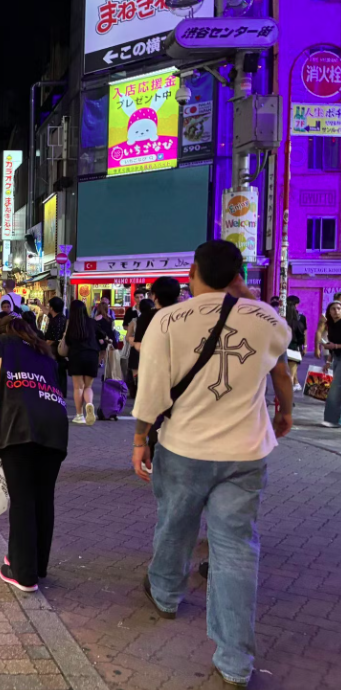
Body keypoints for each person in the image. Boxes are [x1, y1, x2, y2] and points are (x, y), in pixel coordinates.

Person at [132, 240, 293, 689]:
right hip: (245, 452)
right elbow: (279, 364)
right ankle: (235, 660)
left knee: (175, 525)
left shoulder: (167, 320)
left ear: (192, 273)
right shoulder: (267, 319)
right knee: (236, 549)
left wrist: (140, 438)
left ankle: (165, 594)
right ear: (238, 275)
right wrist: (285, 412)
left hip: (185, 446)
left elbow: (152, 392)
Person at [0, 312, 69, 592]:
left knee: (23, 498)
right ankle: (36, 564)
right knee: (42, 497)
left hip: (20, 424)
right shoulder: (43, 350)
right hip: (54, 425)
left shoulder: (0, 342)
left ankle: (23, 574)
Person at [64, 300, 106, 426]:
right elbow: (102, 336)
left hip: (76, 355)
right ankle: (89, 404)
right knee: (88, 387)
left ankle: (79, 415)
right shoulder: (92, 322)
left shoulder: (71, 324)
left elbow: (68, 341)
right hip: (92, 355)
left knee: (78, 387)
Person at [320, 300, 341, 428]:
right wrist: (328, 361)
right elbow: (332, 346)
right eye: (333, 309)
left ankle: (331, 419)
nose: (336, 311)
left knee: (335, 390)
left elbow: (334, 345)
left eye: (339, 308)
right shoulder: (331, 325)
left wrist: (335, 345)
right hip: (337, 359)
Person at [44, 296, 68, 397]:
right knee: (60, 371)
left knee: (55, 370)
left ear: (52, 308)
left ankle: (56, 391)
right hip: (61, 349)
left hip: (55, 349)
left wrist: (44, 346)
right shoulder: (61, 318)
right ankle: (60, 391)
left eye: (49, 306)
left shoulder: (56, 320)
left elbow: (53, 338)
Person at [285, 295, 307, 392]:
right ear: (297, 304)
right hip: (294, 348)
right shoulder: (300, 318)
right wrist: (304, 346)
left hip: (281, 347)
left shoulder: (280, 316)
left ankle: (295, 384)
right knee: (291, 372)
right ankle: (287, 396)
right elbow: (303, 334)